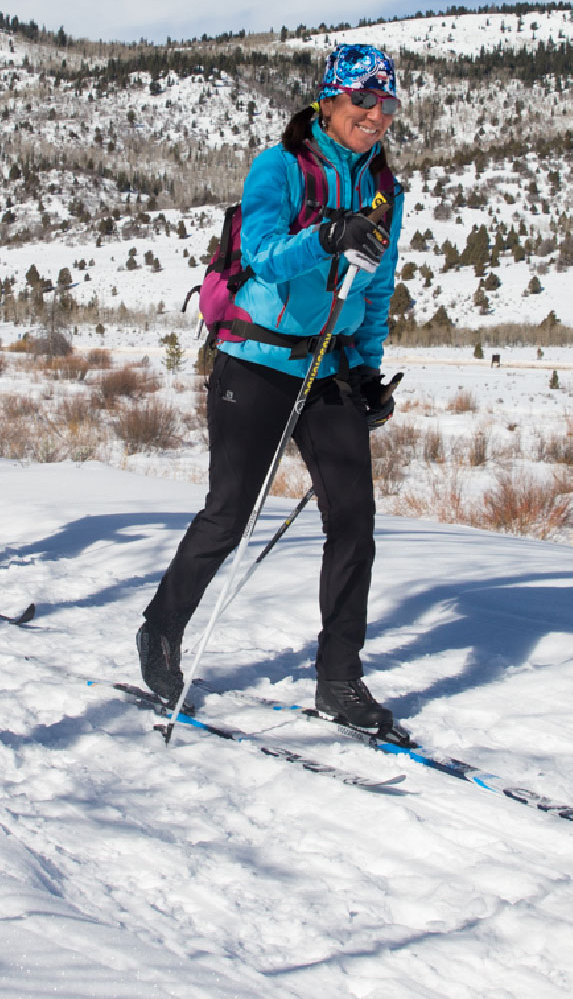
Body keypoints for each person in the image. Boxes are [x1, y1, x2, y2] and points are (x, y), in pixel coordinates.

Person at [138, 44, 404, 731]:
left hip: (327, 365)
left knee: (354, 520)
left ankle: (339, 679)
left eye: (386, 104)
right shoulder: (280, 166)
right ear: (329, 101)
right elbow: (261, 254)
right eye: (363, 102)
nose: (375, 116)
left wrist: (368, 368)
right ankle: (161, 631)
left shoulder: (385, 189)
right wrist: (326, 237)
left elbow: (375, 287)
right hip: (254, 358)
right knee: (230, 514)